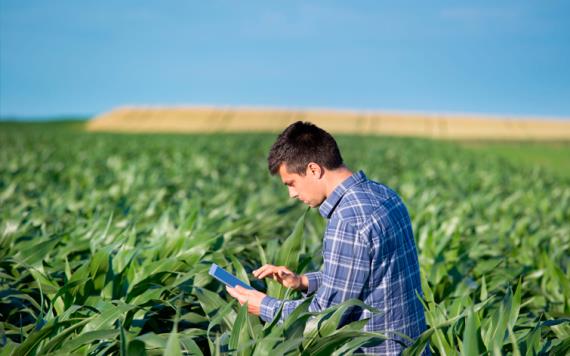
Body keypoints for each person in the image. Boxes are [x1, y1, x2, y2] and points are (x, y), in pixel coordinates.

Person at [226, 121, 427, 355]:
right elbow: (365, 274)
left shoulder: (347, 219)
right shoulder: (383, 194)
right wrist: (302, 282)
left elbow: (325, 319)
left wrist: (264, 306)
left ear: (314, 169)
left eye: (291, 183)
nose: (291, 194)